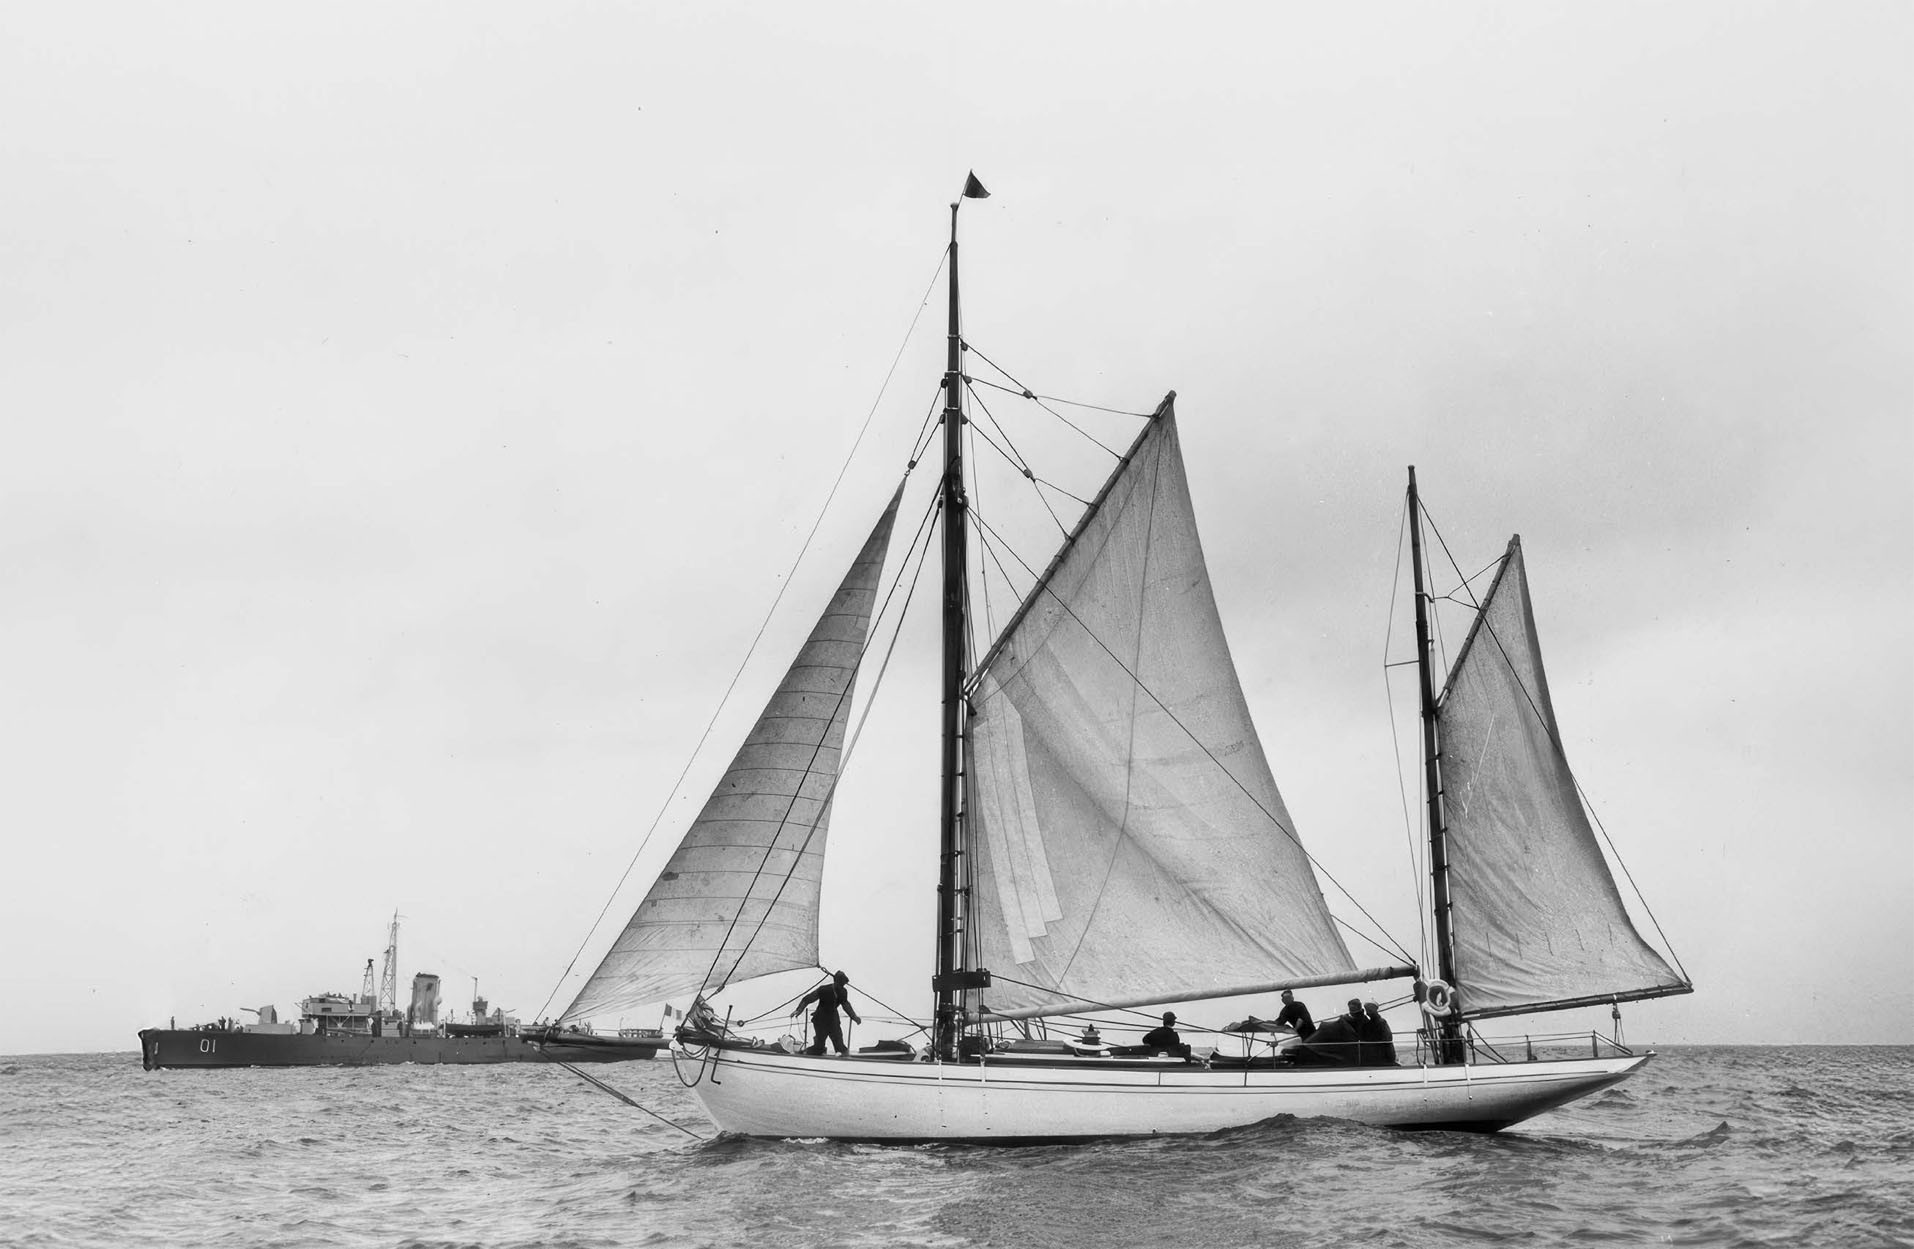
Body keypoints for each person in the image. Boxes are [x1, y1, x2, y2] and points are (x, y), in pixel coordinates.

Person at [793, 970, 861, 1055]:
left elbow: (846, 1005)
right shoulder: (824, 989)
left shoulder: (842, 991)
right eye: (841, 983)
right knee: (820, 1044)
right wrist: (799, 1010)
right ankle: (810, 1051)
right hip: (821, 1019)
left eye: (843, 984)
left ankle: (842, 1055)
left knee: (839, 1044)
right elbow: (808, 998)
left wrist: (854, 1017)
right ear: (836, 981)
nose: (842, 986)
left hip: (831, 1019)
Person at [1359, 1000, 1397, 1066]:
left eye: (1369, 1010)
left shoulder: (1381, 1023)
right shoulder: (1368, 1024)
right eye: (1367, 1010)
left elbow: (1387, 1039)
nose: (1367, 1013)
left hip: (1381, 1055)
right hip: (1373, 1055)